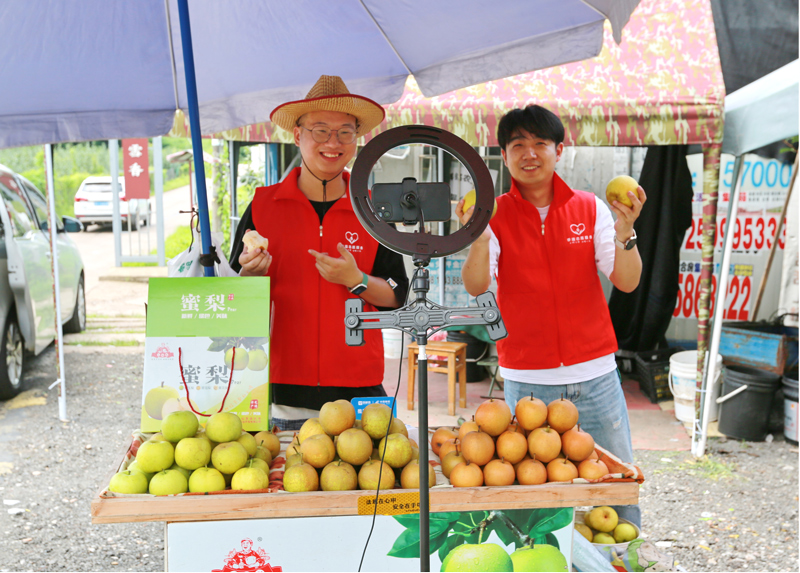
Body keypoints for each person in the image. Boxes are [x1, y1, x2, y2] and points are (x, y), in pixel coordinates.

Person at [457, 105, 646, 527]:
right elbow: (475, 285)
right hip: (528, 381)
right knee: (529, 495)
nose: (529, 153)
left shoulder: (590, 207)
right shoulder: (494, 213)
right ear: (503, 155)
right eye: (517, 145)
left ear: (559, 150)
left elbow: (627, 280)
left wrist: (625, 233)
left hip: (595, 375)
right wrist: (478, 236)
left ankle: (626, 561)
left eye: (540, 143)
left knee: (616, 485)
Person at [229, 75, 409, 431]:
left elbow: (398, 294)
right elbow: (234, 295)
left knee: (371, 487)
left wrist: (355, 281)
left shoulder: (373, 210)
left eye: (345, 131)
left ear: (357, 138)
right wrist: (250, 274)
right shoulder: (263, 206)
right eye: (320, 130)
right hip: (286, 390)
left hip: (360, 391)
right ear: (297, 135)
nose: (333, 142)